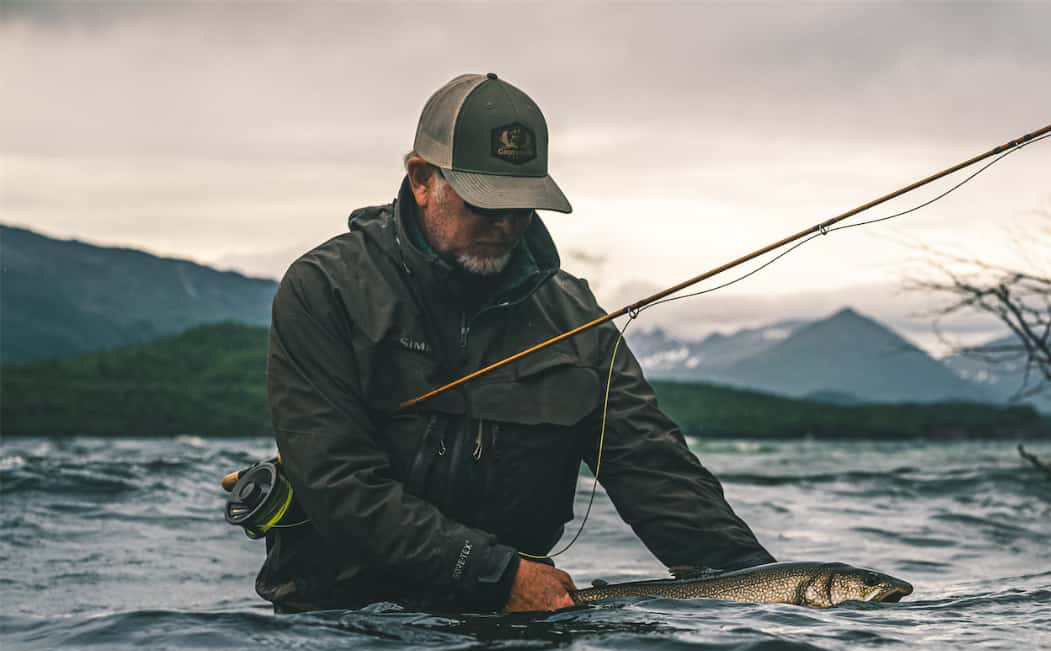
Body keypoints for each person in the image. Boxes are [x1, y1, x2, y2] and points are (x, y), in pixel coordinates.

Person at [257, 73, 773, 615]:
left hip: (510, 635)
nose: (505, 225)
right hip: (341, 626)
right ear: (421, 180)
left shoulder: (575, 320)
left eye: (522, 205)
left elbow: (655, 471)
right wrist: (494, 575)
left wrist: (765, 591)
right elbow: (338, 482)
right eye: (485, 203)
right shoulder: (324, 290)